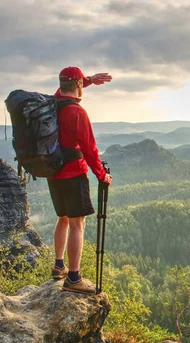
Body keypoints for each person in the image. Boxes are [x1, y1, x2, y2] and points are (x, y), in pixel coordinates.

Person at [48, 66, 113, 294]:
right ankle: (74, 278)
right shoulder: (77, 113)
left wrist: (88, 81)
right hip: (74, 174)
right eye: (80, 83)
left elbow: (64, 89)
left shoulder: (53, 104)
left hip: (53, 172)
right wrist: (102, 176)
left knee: (63, 219)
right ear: (77, 85)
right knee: (78, 224)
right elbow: (90, 150)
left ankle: (59, 266)